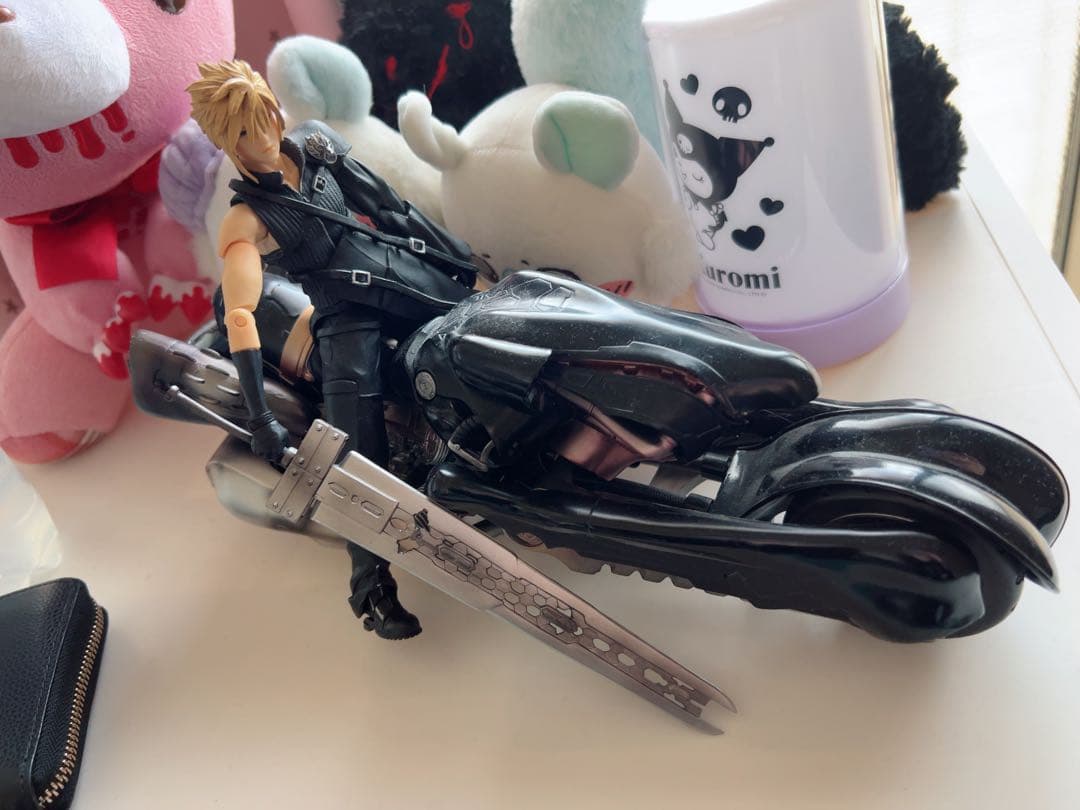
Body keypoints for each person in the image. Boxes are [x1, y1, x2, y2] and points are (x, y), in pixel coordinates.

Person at [187, 60, 480, 640]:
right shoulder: (245, 221)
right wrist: (260, 416)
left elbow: (390, 204)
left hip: (397, 269)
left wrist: (455, 256)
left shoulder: (315, 145)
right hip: (344, 318)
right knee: (356, 453)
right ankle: (371, 589)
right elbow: (240, 314)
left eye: (263, 118)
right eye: (243, 132)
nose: (262, 138)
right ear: (226, 142)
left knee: (485, 320)